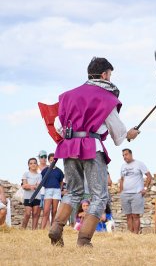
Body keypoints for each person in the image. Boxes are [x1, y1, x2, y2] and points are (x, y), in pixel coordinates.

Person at [48, 57, 140, 247]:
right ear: (104, 74)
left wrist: (72, 137)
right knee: (99, 196)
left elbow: (58, 125)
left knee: (73, 191)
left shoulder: (68, 95)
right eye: (110, 75)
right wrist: (129, 134)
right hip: (92, 147)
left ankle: (56, 228)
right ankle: (83, 240)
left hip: (69, 146)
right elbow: (118, 132)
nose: (110, 79)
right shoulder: (105, 97)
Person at [120, 148, 152, 234]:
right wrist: (121, 192)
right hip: (125, 194)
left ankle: (136, 235)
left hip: (136, 194)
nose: (124, 157)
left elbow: (149, 176)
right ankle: (130, 235)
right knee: (128, 216)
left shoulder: (139, 164)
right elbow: (122, 179)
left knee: (135, 215)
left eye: (126, 154)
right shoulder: (123, 166)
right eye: (123, 155)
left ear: (131, 154)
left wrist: (145, 189)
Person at [40, 153, 64, 229]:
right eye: (51, 160)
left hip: (56, 191)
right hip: (48, 190)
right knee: (46, 210)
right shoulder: (45, 170)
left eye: (54, 160)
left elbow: (61, 181)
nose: (52, 161)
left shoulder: (59, 171)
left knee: (54, 211)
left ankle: (52, 228)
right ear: (49, 160)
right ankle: (42, 228)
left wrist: (60, 189)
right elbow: (41, 180)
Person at [21, 158, 42, 229]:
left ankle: (34, 231)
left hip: (37, 197)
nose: (33, 164)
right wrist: (32, 186)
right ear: (28, 165)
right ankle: (22, 229)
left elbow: (38, 186)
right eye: (31, 163)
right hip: (27, 197)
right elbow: (24, 186)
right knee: (27, 214)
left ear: (37, 164)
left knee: (35, 214)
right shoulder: (26, 174)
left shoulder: (39, 175)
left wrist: (29, 185)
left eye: (34, 163)